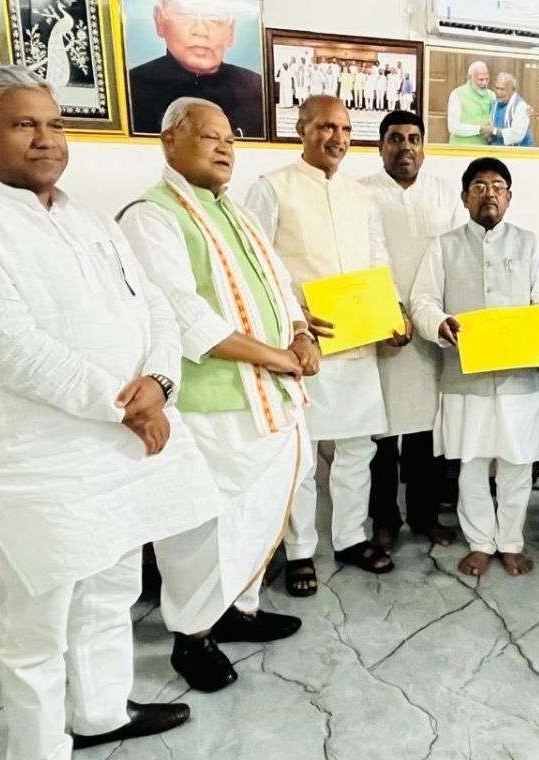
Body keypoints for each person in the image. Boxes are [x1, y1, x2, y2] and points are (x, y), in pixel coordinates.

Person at [0, 65, 230, 759]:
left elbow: (155, 308)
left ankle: (100, 711)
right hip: (40, 459)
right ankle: (38, 747)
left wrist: (160, 383)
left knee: (111, 587)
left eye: (55, 123)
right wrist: (122, 406)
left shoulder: (89, 219)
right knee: (38, 619)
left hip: (120, 447)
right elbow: (5, 344)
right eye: (24, 123)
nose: (47, 138)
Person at [118, 98, 317, 677]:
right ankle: (192, 635)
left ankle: (240, 609)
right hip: (211, 404)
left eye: (229, 137)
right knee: (204, 524)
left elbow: (282, 285)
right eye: (209, 137)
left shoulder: (234, 210)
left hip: (269, 395)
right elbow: (180, 315)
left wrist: (302, 333)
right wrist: (277, 356)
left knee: (255, 513)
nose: (225, 147)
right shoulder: (150, 215)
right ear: (169, 141)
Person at [246, 95, 411, 590]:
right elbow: (257, 267)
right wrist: (295, 318)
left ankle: (349, 537)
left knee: (357, 450)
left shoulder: (361, 195)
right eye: (324, 127)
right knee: (302, 456)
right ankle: (299, 551)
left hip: (359, 344)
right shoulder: (272, 187)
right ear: (301, 129)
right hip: (305, 346)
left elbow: (378, 259)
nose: (336, 137)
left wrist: (395, 309)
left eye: (343, 128)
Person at [410, 157, 539, 577]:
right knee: (472, 464)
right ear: (464, 197)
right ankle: (480, 541)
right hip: (466, 376)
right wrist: (440, 324)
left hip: (519, 376)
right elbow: (422, 301)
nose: (488, 193)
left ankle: (510, 541)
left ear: (509, 197)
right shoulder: (443, 246)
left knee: (517, 464)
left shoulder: (529, 244)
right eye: (478, 186)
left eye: (497, 186)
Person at [361, 110, 464, 550]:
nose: (406, 147)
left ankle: (424, 516)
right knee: (380, 431)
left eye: (415, 138)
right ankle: (384, 518)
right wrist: (386, 310)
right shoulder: (361, 193)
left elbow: (460, 255)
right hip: (382, 324)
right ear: (380, 146)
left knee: (426, 430)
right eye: (396, 138)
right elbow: (358, 258)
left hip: (431, 329)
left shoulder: (444, 193)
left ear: (424, 146)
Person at [127, 0, 264, 137]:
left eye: (215, 18)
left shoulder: (255, 90)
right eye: (185, 14)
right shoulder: (134, 88)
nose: (201, 31)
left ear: (230, 31)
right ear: (159, 20)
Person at [447, 61, 496, 145]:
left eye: (487, 79)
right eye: (481, 79)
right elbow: (453, 127)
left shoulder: (492, 95)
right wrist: (480, 129)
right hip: (461, 149)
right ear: (470, 78)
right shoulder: (457, 94)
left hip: (484, 149)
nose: (485, 83)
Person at [488, 72, 534, 147]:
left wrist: (494, 131)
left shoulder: (521, 106)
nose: (498, 92)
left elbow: (516, 135)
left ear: (512, 90)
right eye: (497, 88)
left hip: (520, 152)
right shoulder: (494, 103)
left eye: (502, 89)